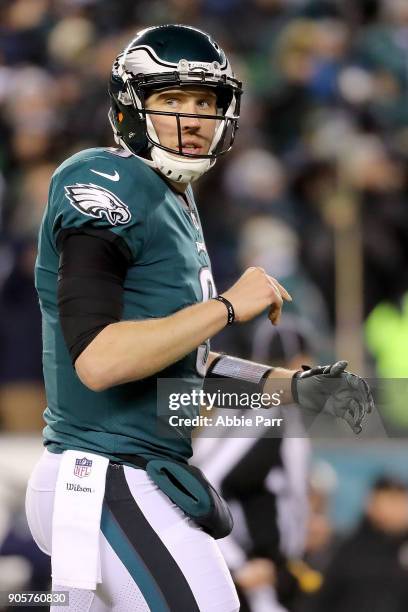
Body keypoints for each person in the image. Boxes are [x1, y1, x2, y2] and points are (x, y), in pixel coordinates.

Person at [25, 24, 373, 612]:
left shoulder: (173, 200)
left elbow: (182, 360)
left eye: (204, 103)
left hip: (130, 475)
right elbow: (101, 360)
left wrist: (284, 387)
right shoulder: (104, 181)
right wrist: (228, 306)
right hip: (105, 477)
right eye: (171, 99)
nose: (192, 118)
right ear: (131, 107)